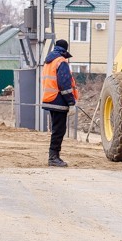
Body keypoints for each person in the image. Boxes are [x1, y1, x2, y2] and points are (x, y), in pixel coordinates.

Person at [41, 39, 79, 167]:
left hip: (50, 98)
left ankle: (53, 157)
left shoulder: (49, 61)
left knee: (56, 129)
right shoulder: (61, 61)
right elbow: (64, 84)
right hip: (59, 101)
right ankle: (53, 158)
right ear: (65, 49)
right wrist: (71, 102)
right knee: (59, 130)